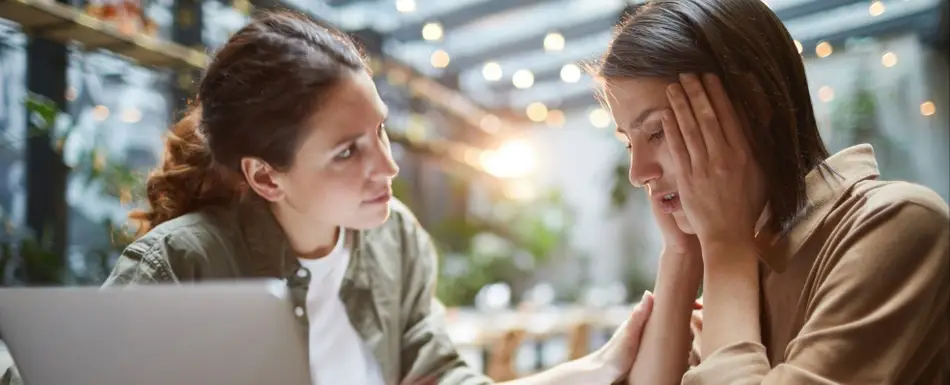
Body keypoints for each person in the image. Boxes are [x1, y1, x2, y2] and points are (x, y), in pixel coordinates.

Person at [0, 10, 660, 385]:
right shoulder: (178, 262)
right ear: (266, 177)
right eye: (348, 151)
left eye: (379, 131)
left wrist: (598, 367)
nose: (389, 165)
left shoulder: (394, 236)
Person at [595, 0, 950, 384]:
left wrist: (726, 246)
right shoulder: (753, 261)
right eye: (630, 144)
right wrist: (682, 256)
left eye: (657, 132)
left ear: (752, 104)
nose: (638, 173)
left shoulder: (897, 222)